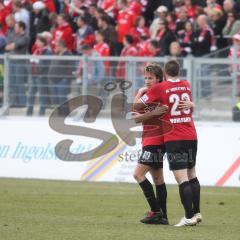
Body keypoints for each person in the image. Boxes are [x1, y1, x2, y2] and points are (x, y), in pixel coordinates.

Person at [133, 60, 201, 227]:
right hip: (153, 139)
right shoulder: (155, 92)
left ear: (159, 78)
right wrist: (192, 105)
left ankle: (157, 211)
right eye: (145, 78)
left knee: (138, 174)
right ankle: (163, 217)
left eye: (150, 78)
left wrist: (150, 109)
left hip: (156, 140)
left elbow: (135, 116)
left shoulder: (160, 91)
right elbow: (134, 112)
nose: (147, 81)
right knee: (158, 178)